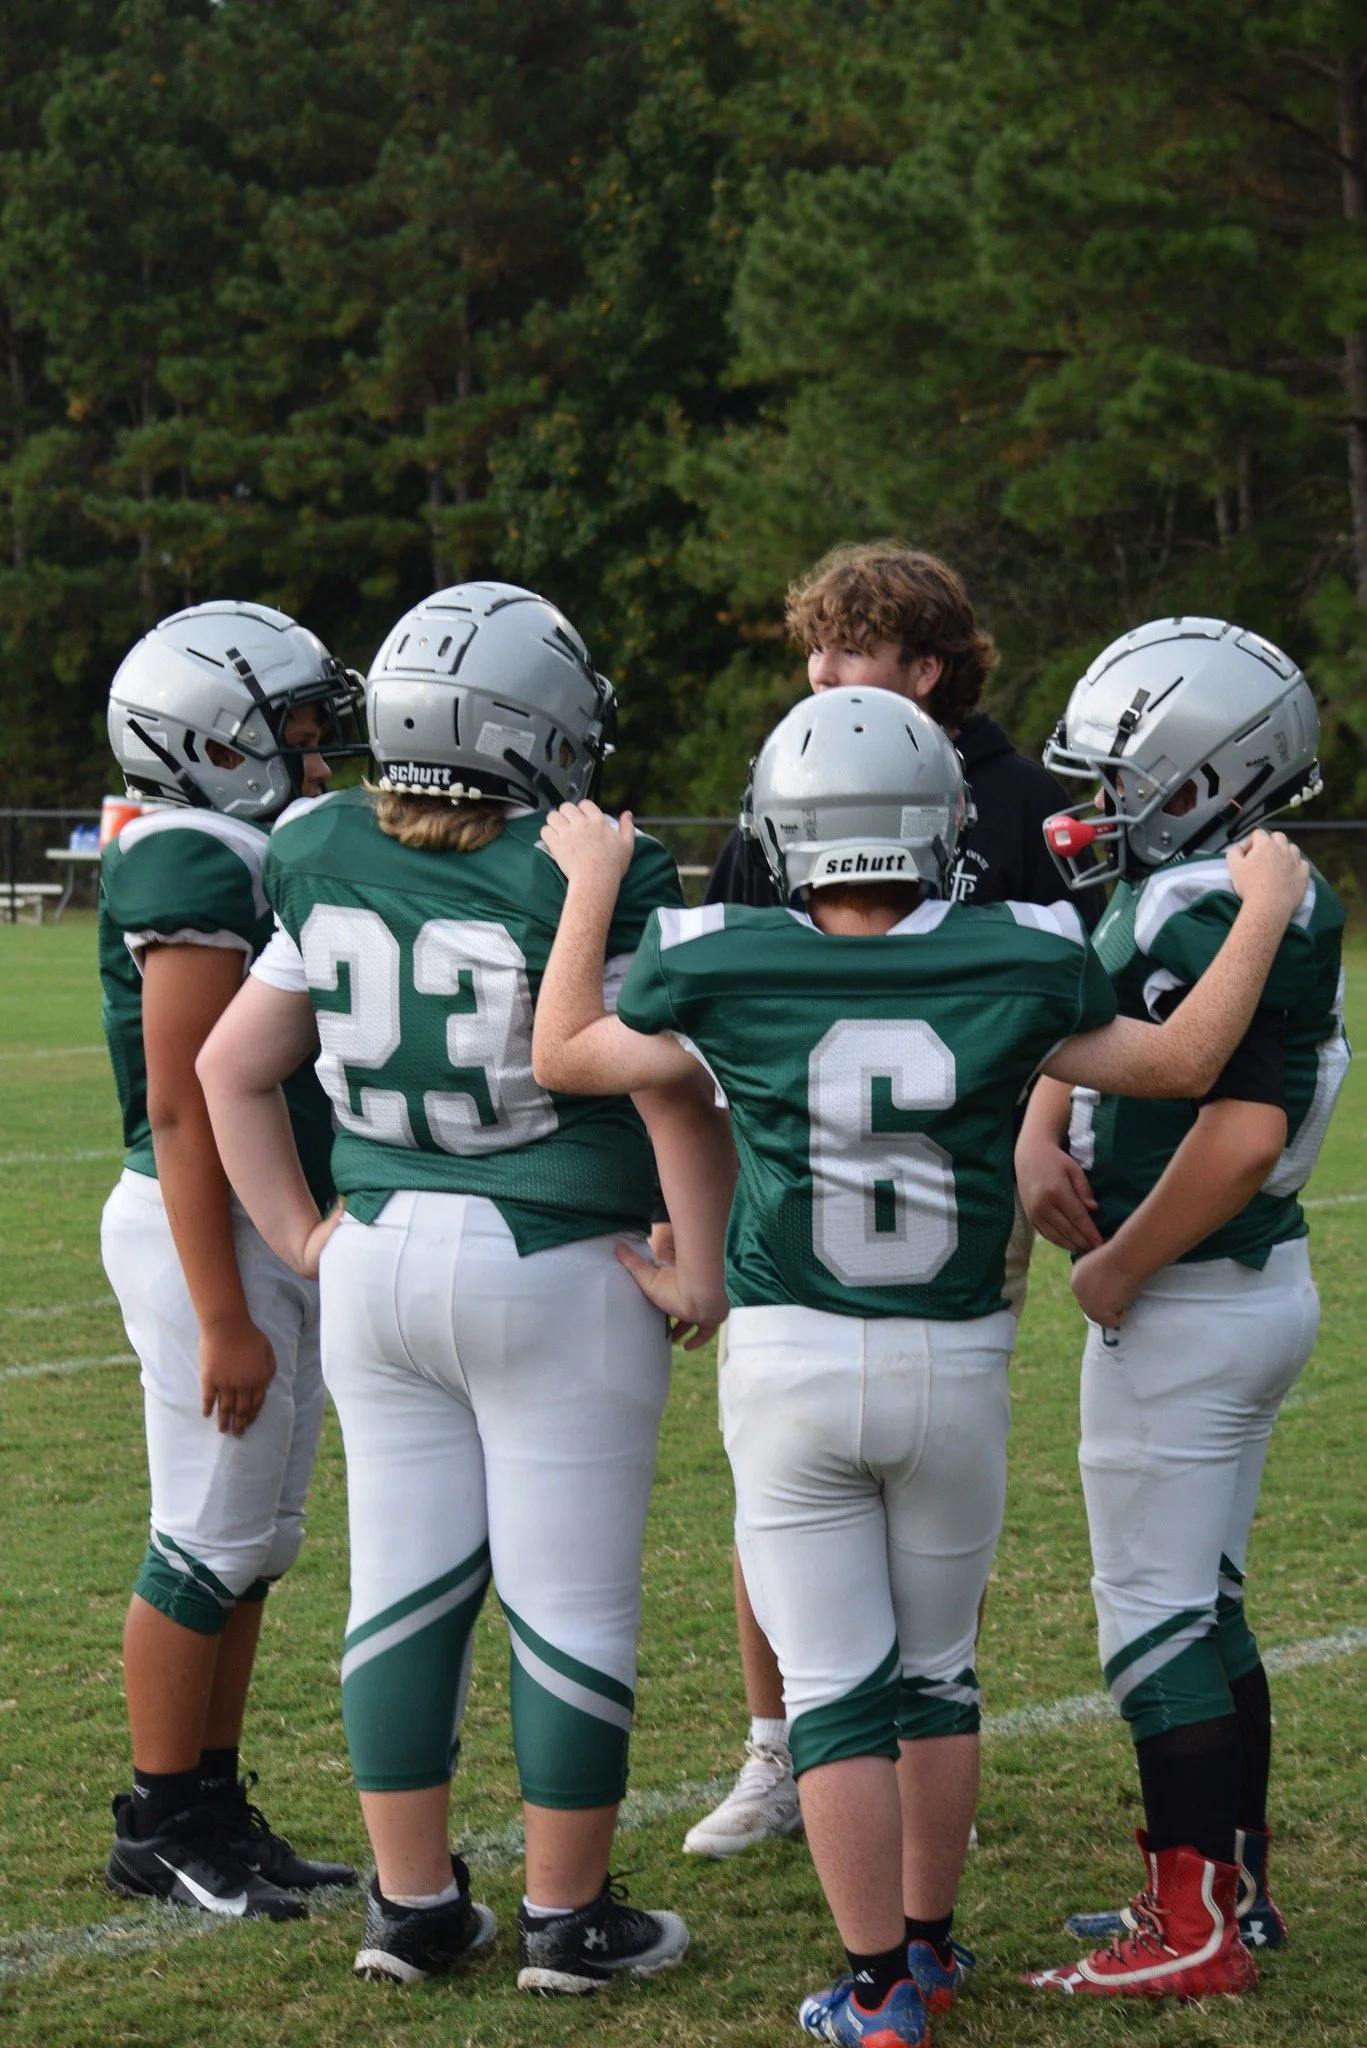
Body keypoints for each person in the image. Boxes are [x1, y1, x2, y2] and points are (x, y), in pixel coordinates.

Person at [528, 683, 1312, 2046]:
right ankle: (933, 1949)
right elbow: (1188, 1060)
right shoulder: (1019, 950)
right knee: (938, 1672)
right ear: (942, 822)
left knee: (835, 1689)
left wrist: (589, 882)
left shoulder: (725, 954)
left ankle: (880, 1989)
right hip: (953, 1361)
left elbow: (566, 1051)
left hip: (790, 1363)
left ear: (784, 829)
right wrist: (1256, 908)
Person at [196, 582, 734, 1995]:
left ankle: (414, 1906)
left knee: (404, 1589)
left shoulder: (316, 844)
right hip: (557, 1263)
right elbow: (671, 1086)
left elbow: (229, 1070)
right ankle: (567, 1920)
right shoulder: (600, 870)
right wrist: (697, 1258)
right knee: (569, 1599)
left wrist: (307, 1237)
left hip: (379, 1260)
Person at [688, 539, 1097, 1862]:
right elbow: (717, 1017)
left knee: (929, 1479)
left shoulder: (1024, 807)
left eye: (848, 649)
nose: (817, 672)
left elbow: (1082, 998)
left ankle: (918, 1754)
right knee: (778, 1483)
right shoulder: (789, 783)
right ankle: (778, 1748)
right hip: (787, 1198)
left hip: (953, 1197)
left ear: (924, 668)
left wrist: (1042, 1127)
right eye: (813, 646)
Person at [1015, 617, 1346, 2001]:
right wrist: (1046, 1122)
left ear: (1208, 774)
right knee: (1202, 1604)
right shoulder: (1249, 885)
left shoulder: (1194, 904)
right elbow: (1110, 1032)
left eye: (1117, 772)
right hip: (1256, 1290)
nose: (1090, 802)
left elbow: (1235, 1129)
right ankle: (1230, 1887)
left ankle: (1192, 1926)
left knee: (1150, 1618)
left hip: (1191, 1297)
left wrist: (1119, 1264)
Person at [99, 600, 364, 1919]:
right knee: (204, 1537)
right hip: (200, 1226)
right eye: (297, 736)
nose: (317, 763)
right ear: (208, 745)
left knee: (257, 1542)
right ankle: (158, 1818)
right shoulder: (192, 859)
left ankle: (209, 1796)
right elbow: (188, 1105)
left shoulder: (237, 842)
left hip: (259, 1223)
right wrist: (224, 1315)